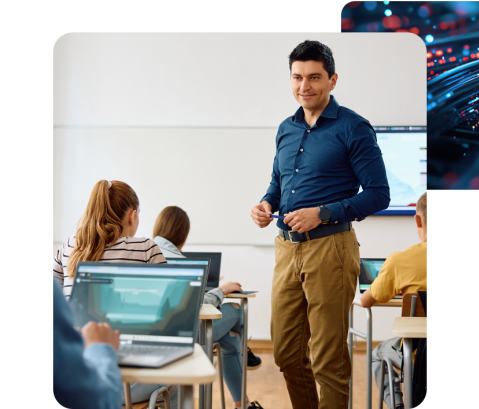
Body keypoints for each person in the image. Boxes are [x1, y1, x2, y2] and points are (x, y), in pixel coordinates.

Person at [250, 40, 390, 408]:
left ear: (332, 80)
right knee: (287, 354)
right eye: (297, 77)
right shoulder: (285, 128)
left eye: (314, 77)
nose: (304, 86)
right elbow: (278, 184)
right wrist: (266, 204)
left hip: (331, 249)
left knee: (328, 360)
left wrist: (323, 212)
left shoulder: (353, 128)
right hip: (286, 249)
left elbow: (379, 194)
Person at [52, 180, 173, 408]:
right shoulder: (146, 247)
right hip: (119, 385)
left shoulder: (69, 245)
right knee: (175, 382)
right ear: (133, 215)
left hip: (71, 380)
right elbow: (168, 308)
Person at [152, 206, 263, 409]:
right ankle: (244, 347)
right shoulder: (180, 262)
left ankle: (243, 404)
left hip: (156, 334)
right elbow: (199, 306)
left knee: (230, 339)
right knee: (237, 310)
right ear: (182, 234)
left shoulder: (146, 251)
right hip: (186, 336)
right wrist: (221, 290)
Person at [361, 192, 427, 409]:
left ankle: (398, 405)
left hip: (420, 356)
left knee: (377, 354)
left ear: (417, 220)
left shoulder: (400, 261)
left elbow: (366, 301)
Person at [53, 277, 122, 409]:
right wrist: (100, 347)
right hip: (117, 386)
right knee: (167, 386)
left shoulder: (61, 255)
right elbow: (101, 404)